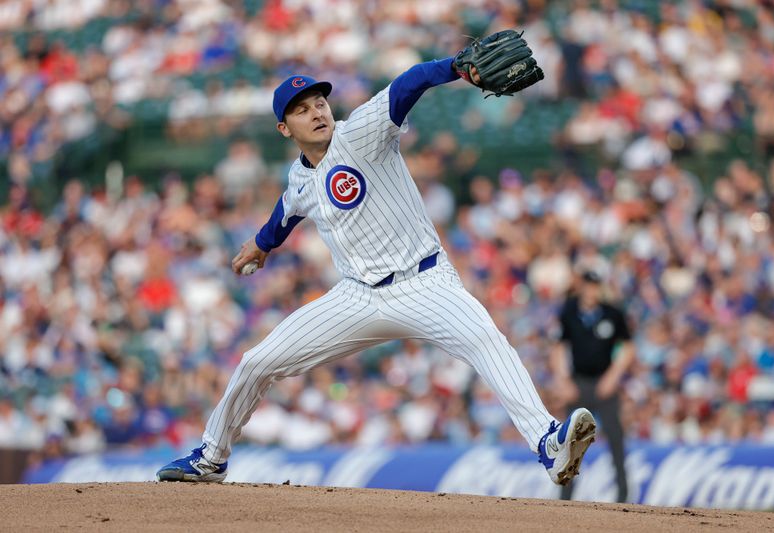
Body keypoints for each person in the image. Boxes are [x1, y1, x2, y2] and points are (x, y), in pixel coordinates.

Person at [156, 47, 596, 485]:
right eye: (302, 110)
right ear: (284, 128)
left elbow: (410, 82)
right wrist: (262, 243)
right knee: (256, 362)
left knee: (486, 339)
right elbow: (287, 210)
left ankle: (548, 443)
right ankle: (211, 458)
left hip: (424, 283)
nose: (316, 113)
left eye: (320, 103)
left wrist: (457, 67)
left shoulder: (360, 132)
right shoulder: (299, 176)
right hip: (358, 297)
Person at [552, 271, 634, 502]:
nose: (591, 291)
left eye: (595, 286)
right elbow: (558, 348)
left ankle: (623, 496)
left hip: (604, 382)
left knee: (616, 438)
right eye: (588, 286)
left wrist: (613, 377)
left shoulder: (612, 313)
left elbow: (627, 348)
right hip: (578, 383)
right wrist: (563, 380)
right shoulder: (569, 312)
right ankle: (565, 497)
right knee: (571, 442)